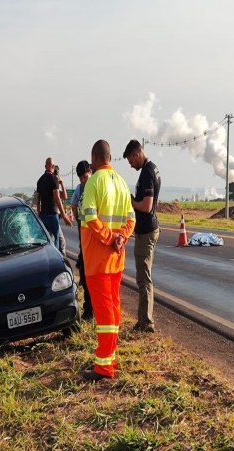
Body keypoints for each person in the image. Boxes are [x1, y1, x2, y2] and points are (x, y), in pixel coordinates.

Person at [80, 140, 135, 381]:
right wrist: (121, 237)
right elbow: (131, 218)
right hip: (116, 258)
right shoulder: (122, 182)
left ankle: (104, 366)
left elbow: (90, 216)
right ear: (110, 157)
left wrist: (109, 237)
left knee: (104, 313)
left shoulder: (93, 181)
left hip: (98, 259)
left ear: (94, 158)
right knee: (113, 307)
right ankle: (110, 356)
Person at [123, 139, 161, 333]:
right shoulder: (152, 169)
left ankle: (146, 322)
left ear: (137, 154)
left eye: (131, 160)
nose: (131, 164)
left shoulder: (147, 173)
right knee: (143, 277)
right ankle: (143, 320)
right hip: (147, 229)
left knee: (143, 279)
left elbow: (146, 206)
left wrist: (130, 201)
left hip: (146, 230)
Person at [70, 160, 93, 320]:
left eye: (85, 176)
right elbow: (73, 206)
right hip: (84, 239)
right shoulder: (79, 189)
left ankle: (92, 309)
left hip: (95, 239)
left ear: (90, 172)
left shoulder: (96, 185)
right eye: (81, 178)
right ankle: (89, 309)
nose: (84, 180)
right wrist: (79, 222)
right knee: (84, 276)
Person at [36, 158, 72, 250]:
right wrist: (64, 216)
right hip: (52, 215)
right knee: (56, 241)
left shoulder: (39, 180)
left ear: (45, 166)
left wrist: (40, 216)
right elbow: (57, 198)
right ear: (52, 166)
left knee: (46, 241)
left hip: (43, 215)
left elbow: (38, 201)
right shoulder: (54, 178)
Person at [53, 165, 68, 255]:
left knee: (58, 241)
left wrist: (61, 183)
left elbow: (65, 196)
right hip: (53, 216)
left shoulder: (56, 185)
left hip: (55, 217)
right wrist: (64, 215)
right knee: (61, 242)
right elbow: (59, 199)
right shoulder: (52, 183)